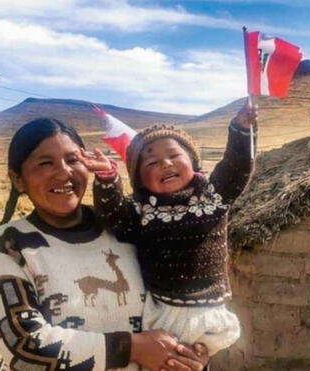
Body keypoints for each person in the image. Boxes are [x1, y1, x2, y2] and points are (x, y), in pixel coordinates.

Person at [0, 118, 209, 371]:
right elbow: (23, 345)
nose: (64, 172)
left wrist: (188, 353)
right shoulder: (12, 243)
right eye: (45, 163)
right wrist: (133, 348)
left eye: (73, 160)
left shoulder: (128, 227)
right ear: (18, 179)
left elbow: (179, 296)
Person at [79, 104, 256, 359]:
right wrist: (107, 179)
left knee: (192, 360)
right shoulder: (141, 211)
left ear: (192, 162)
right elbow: (112, 216)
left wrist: (241, 129)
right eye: (151, 162)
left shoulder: (212, 197)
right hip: (161, 310)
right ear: (139, 178)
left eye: (174, 155)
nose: (165, 163)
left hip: (207, 312)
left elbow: (236, 167)